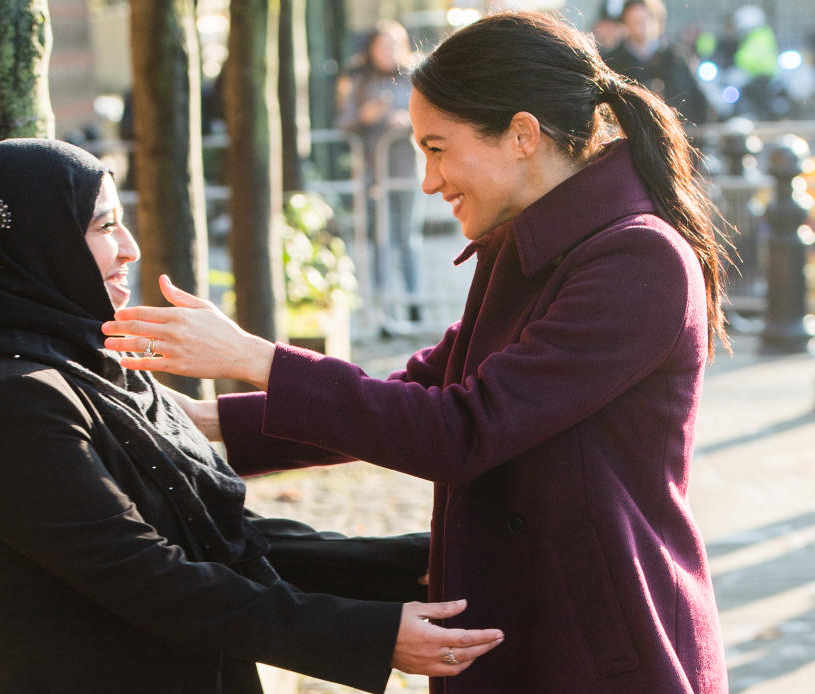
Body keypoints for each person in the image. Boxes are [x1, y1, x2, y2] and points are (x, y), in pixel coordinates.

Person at [103, 10, 731, 694]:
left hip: (604, 648)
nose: (429, 181)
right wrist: (198, 424)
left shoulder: (638, 259)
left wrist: (255, 357)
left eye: (437, 148)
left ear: (522, 135)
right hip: (530, 623)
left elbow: (462, 429)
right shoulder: (530, 245)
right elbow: (419, 389)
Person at [0, 139, 505, 693]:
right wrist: (370, 636)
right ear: (39, 248)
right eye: (105, 226)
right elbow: (155, 579)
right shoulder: (10, 405)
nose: (131, 248)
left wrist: (414, 562)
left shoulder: (97, 373)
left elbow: (223, 539)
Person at [336, 20, 422, 324]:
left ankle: (414, 302)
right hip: (373, 173)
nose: (387, 51)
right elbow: (343, 123)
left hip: (406, 171)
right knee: (380, 239)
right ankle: (382, 306)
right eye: (381, 45)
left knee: (406, 236)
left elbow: (434, 120)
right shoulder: (359, 81)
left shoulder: (416, 78)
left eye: (393, 45)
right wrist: (363, 116)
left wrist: (408, 121)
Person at [603, 0, 710, 124]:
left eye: (646, 20)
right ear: (626, 23)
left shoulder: (675, 57)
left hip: (674, 132)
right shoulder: (613, 61)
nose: (642, 27)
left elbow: (696, 101)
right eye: (635, 21)